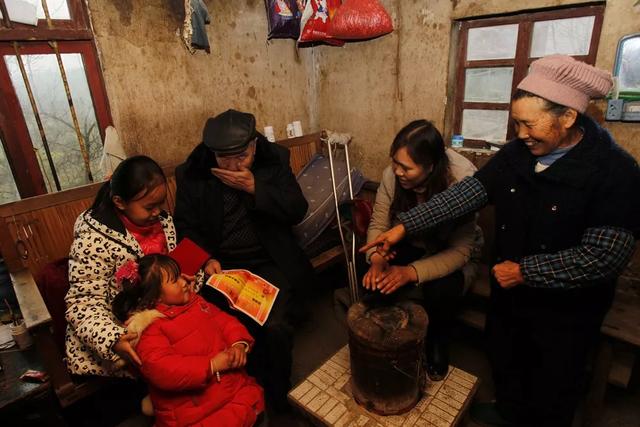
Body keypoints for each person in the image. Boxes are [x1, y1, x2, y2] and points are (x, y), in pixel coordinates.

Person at [362, 55, 640, 426]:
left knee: (553, 381)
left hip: (565, 309)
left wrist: (528, 271)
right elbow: (467, 195)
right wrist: (404, 227)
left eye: (529, 123)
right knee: (505, 355)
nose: (521, 133)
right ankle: (505, 409)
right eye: (516, 122)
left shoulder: (615, 171)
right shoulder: (516, 155)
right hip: (511, 291)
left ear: (568, 116)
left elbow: (605, 256)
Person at [174, 109, 313, 413]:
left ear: (253, 146)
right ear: (212, 154)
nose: (234, 166)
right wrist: (205, 257)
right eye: (225, 159)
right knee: (211, 325)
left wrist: (254, 187)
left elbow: (297, 209)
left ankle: (277, 396)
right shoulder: (192, 172)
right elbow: (184, 226)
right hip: (223, 265)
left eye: (241, 157)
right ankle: (233, 394)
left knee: (275, 326)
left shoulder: (274, 159)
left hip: (269, 259)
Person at [363, 119, 480, 380]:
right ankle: (386, 342)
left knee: (440, 290)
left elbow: (461, 251)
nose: (397, 171)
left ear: (430, 166)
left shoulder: (462, 181)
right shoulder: (392, 175)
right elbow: (379, 222)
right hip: (413, 242)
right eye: (394, 162)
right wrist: (377, 258)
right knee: (375, 283)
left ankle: (437, 341)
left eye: (406, 167)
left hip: (451, 251)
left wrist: (410, 273)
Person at [112, 254, 264, 427]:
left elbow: (224, 322)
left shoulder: (196, 302)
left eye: (180, 275)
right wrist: (211, 365)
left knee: (249, 403)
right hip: (195, 409)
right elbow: (163, 369)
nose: (184, 281)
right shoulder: (147, 329)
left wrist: (238, 344)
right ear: (155, 298)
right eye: (175, 280)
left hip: (232, 386)